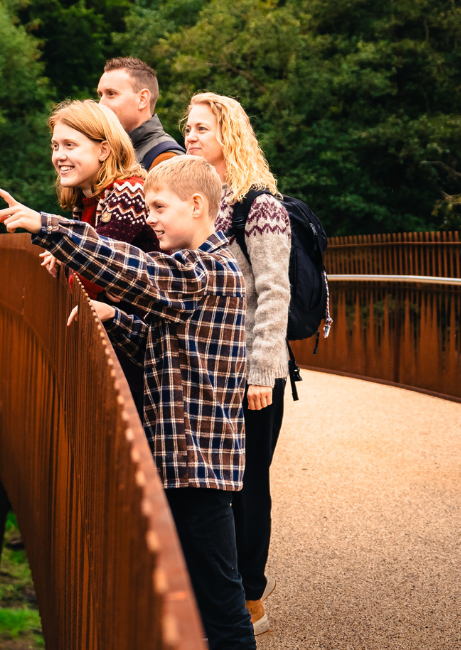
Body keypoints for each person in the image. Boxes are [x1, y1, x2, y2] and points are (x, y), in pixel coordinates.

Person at [0, 155, 256, 650]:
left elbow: (133, 269)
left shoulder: (207, 271)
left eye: (158, 207)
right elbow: (166, 351)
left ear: (196, 206)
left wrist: (48, 226)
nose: (148, 218)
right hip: (184, 460)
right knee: (198, 599)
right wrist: (114, 318)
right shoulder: (196, 274)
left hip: (198, 466)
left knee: (220, 604)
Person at [184, 92, 292, 636]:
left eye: (202, 127)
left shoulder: (259, 203)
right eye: (188, 126)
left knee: (249, 486)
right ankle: (221, 596)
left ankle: (251, 600)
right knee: (221, 484)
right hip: (214, 365)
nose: (190, 134)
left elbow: (274, 291)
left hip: (254, 372)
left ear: (229, 133)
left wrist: (261, 372)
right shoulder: (209, 199)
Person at [36, 99, 157, 406]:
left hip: (146, 343)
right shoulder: (87, 198)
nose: (59, 156)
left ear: (103, 150)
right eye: (55, 146)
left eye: (70, 145)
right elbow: (88, 263)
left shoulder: (126, 191)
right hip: (119, 333)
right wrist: (68, 253)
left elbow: (96, 270)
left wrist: (66, 251)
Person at [98, 57, 185, 170]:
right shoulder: (108, 151)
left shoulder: (167, 160)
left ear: (142, 99)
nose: (101, 104)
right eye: (100, 95)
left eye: (111, 93)